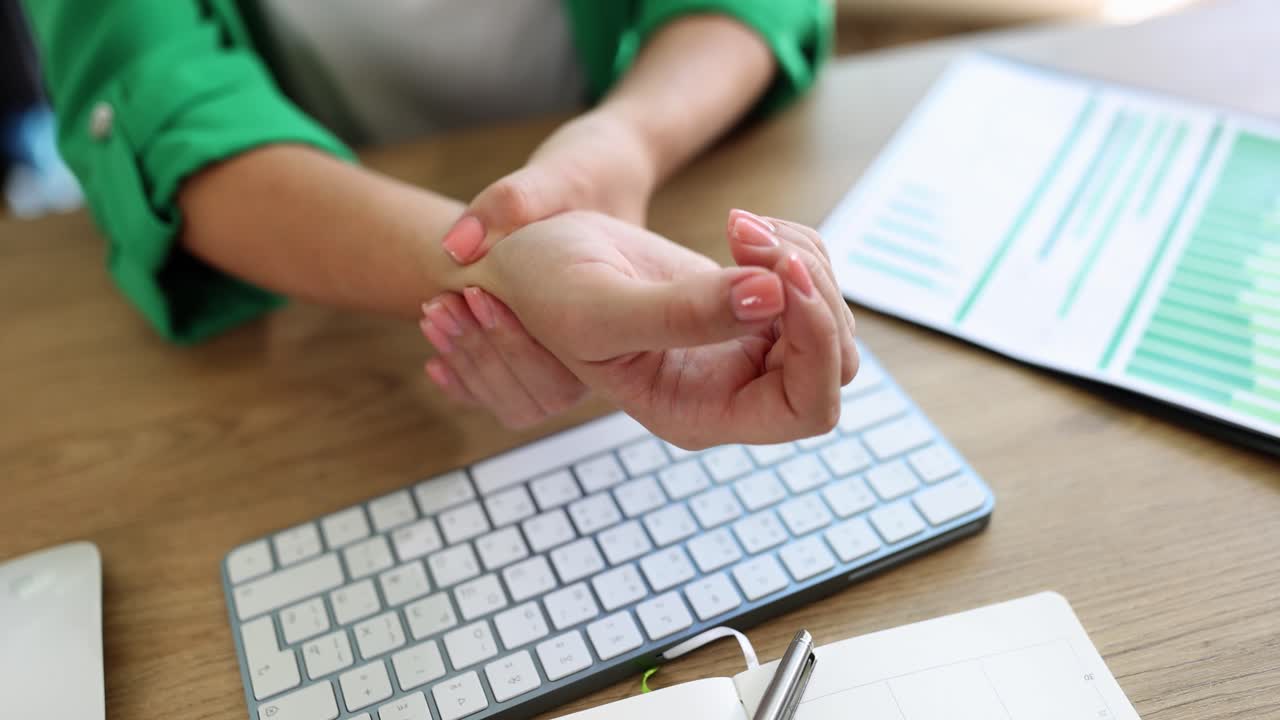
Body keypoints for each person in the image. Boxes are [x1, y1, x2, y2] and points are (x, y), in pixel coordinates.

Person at [22, 1, 857, 448]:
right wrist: (485, 270)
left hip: (644, 135)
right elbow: (155, 104)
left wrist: (627, 140)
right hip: (328, 228)